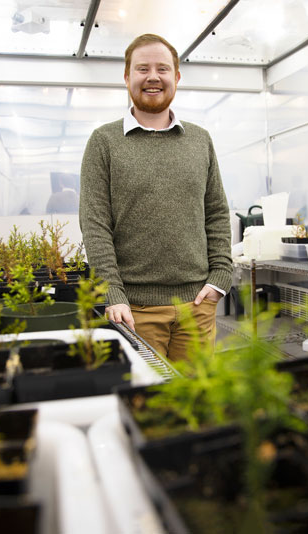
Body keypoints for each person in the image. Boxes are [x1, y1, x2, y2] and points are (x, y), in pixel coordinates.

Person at [79, 33, 232, 361]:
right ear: (126, 77)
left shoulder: (200, 140)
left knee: (195, 400)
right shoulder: (104, 142)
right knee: (146, 402)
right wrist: (112, 294)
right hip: (134, 310)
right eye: (142, 68)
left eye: (162, 69)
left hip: (197, 307)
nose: (152, 77)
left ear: (176, 77)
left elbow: (216, 211)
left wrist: (220, 276)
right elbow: (95, 225)